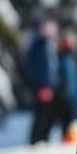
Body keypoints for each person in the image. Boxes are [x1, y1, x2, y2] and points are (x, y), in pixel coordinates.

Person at [24, 16, 60, 144]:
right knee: (42, 115)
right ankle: (37, 140)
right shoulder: (39, 45)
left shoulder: (48, 43)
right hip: (42, 87)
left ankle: (42, 139)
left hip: (48, 86)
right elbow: (39, 68)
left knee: (47, 115)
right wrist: (43, 86)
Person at [55, 29, 77, 143]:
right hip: (63, 96)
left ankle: (71, 139)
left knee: (73, 120)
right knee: (66, 121)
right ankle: (66, 140)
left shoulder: (74, 56)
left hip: (74, 94)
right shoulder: (58, 57)